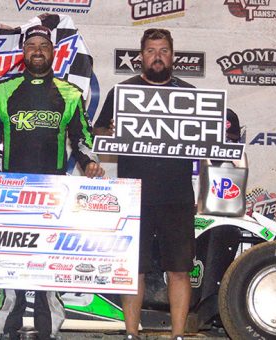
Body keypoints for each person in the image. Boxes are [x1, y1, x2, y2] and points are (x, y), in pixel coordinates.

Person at [0, 25, 105, 340]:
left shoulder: (70, 93)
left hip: (55, 194)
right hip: (10, 193)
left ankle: (48, 331)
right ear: (23, 51)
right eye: (31, 44)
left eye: (43, 45)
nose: (37, 50)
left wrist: (90, 164)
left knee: (51, 268)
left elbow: (83, 139)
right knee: (11, 267)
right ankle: (6, 330)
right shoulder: (3, 90)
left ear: (53, 52)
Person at [94, 28, 195, 340]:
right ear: (141, 57)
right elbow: (96, 134)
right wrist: (108, 130)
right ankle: (131, 334)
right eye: (151, 50)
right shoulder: (121, 93)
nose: (157, 57)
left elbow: (210, 138)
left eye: (164, 50)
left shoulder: (190, 95)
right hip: (133, 193)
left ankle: (178, 335)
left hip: (177, 194)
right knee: (133, 269)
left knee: (179, 269)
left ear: (173, 56)